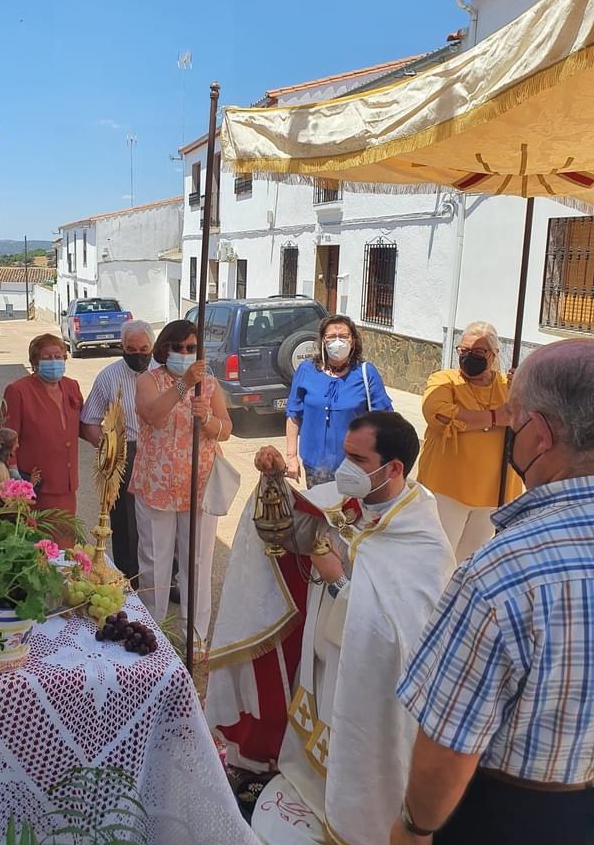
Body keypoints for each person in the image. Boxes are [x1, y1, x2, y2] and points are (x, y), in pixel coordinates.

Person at [207, 411, 456, 844]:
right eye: (345, 454)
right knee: (320, 730)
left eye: (357, 459)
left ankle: (353, 813)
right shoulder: (343, 504)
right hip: (323, 654)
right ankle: (318, 789)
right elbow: (288, 535)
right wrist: (272, 482)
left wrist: (338, 580)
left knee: (351, 742)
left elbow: (400, 636)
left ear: (393, 468)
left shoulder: (423, 539)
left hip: (366, 677)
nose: (344, 469)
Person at [392, 339, 594, 845]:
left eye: (517, 419)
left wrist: (414, 828)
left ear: (540, 436)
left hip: (513, 813)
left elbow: (448, 744)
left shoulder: (503, 574)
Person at [130, 318, 232, 655]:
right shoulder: (149, 380)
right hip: (156, 484)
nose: (185, 354)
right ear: (165, 349)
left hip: (198, 484)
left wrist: (209, 420)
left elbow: (226, 429)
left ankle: (195, 637)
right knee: (154, 561)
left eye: (191, 348)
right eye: (178, 348)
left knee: (198, 562)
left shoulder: (211, 385)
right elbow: (151, 415)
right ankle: (152, 634)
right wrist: (183, 386)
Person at [417, 321, 522, 562]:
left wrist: (526, 387)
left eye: (477, 352)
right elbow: (438, 413)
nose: (468, 357)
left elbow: (530, 420)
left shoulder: (510, 387)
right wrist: (496, 417)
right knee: (437, 558)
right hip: (447, 488)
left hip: (494, 492)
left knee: (471, 560)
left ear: (494, 354)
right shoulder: (444, 380)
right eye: (463, 351)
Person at [81, 320, 155, 585]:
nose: (138, 354)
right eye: (131, 349)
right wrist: (109, 451)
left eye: (143, 348)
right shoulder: (108, 377)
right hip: (127, 452)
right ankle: (130, 578)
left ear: (152, 345)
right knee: (125, 521)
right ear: (122, 347)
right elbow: (89, 421)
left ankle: (169, 579)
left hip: (161, 451)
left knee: (165, 517)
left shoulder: (166, 372)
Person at [285, 314, 392, 487]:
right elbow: (293, 415)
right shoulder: (306, 370)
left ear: (353, 341)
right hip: (314, 466)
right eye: (331, 337)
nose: (337, 342)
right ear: (322, 342)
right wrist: (291, 457)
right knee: (320, 512)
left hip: (355, 467)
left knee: (351, 513)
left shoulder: (365, 373)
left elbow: (385, 420)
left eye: (343, 336)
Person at [2, 333, 84, 542]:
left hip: (66, 483)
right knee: (39, 545)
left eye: (58, 356)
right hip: (36, 484)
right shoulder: (18, 391)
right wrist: (15, 476)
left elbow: (81, 426)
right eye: (47, 357)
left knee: (66, 544)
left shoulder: (71, 386)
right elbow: (7, 437)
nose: (54, 361)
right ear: (35, 362)